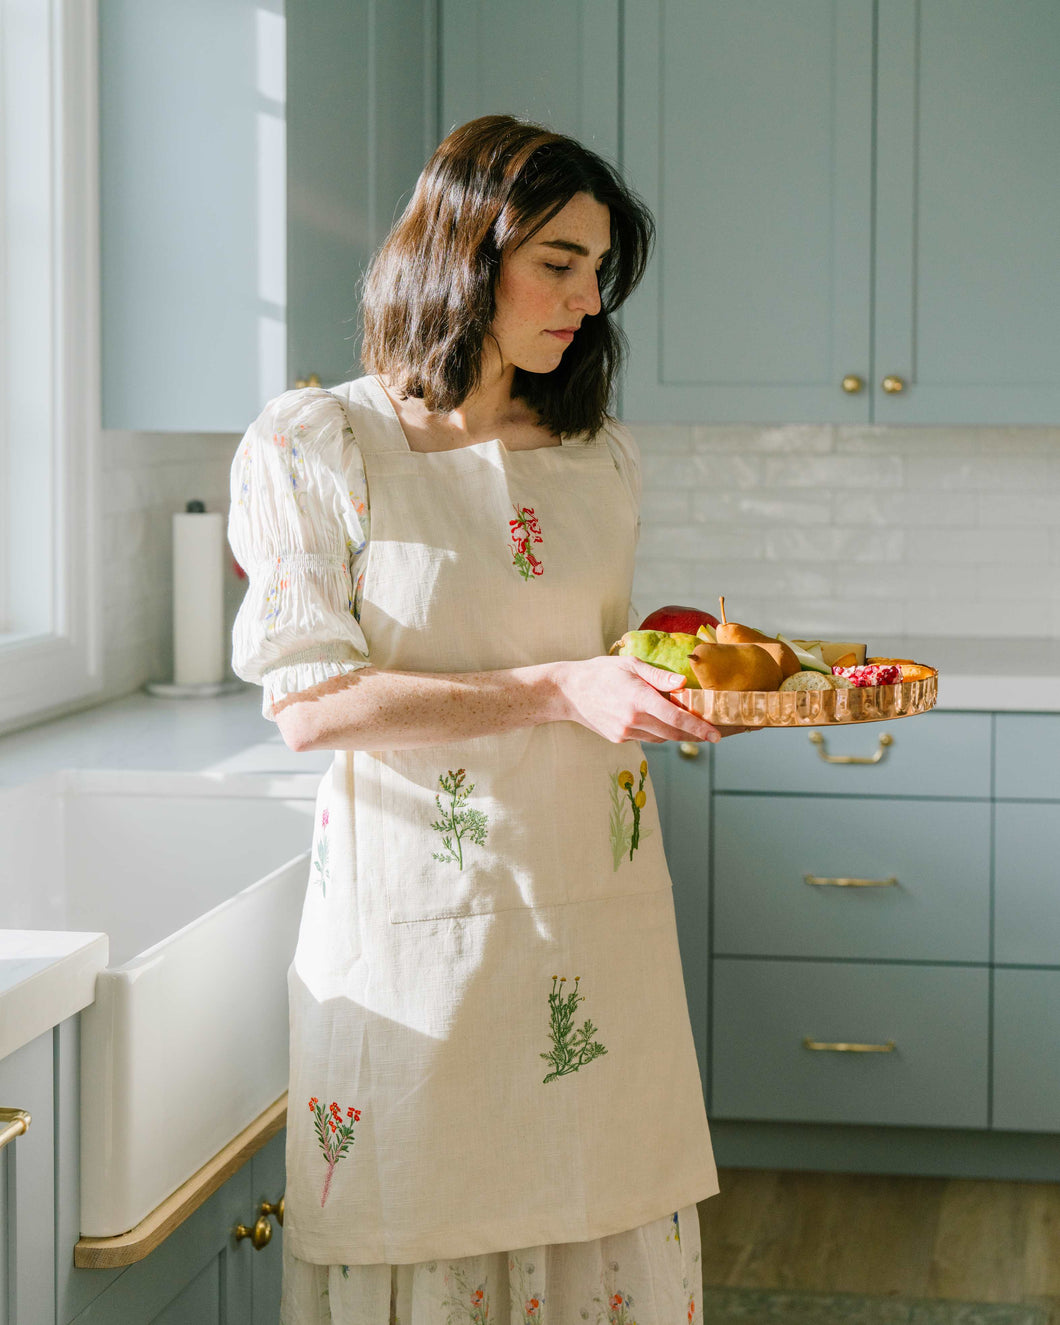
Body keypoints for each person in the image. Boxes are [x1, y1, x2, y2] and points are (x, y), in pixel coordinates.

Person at [229, 114, 739, 1325]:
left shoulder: (595, 453)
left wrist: (676, 688)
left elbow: (598, 664)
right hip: (420, 933)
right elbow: (308, 704)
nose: (585, 298)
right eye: (557, 261)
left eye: (598, 272)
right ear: (463, 249)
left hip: (595, 923)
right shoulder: (319, 440)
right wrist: (558, 689)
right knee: (422, 1214)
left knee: (600, 1220)